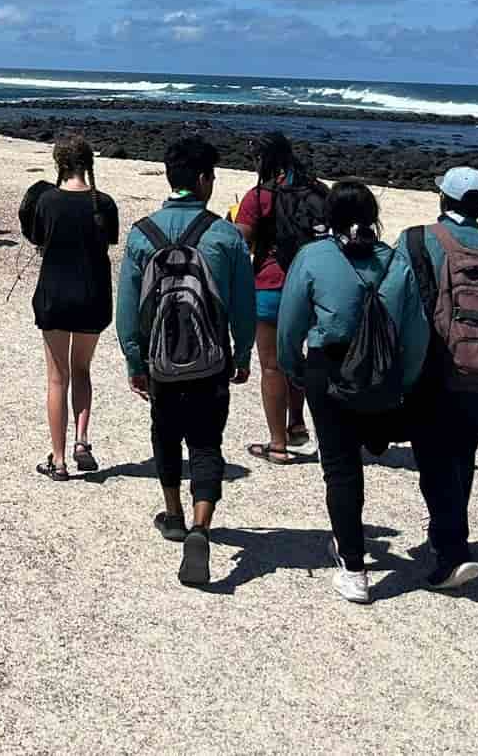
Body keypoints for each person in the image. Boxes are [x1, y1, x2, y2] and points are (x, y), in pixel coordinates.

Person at [277, 181, 430, 605]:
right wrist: (406, 380)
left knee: (341, 469)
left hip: (329, 368)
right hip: (382, 370)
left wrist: (293, 368)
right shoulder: (394, 261)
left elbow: (290, 324)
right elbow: (416, 333)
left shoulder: (313, 257)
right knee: (362, 449)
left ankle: (354, 565)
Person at [116, 136, 254, 586]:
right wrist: (243, 352)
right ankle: (201, 524)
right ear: (201, 180)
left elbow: (127, 309)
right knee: (207, 442)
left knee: (165, 432)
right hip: (211, 359)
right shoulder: (225, 235)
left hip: (160, 361)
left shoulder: (143, 233)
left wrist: (134, 359)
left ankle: (173, 513)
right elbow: (243, 305)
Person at [399, 167, 478, 592]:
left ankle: (453, 550)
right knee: (462, 454)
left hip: (432, 366)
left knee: (433, 459)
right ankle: (449, 534)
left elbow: (400, 303)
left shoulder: (417, 240)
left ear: (442, 200)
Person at [20, 136, 120, 484]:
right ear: (88, 162)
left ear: (59, 163)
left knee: (56, 377)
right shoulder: (104, 203)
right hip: (93, 295)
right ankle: (82, 439)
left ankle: (59, 459)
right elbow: (108, 242)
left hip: (56, 295)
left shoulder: (47, 201)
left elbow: (37, 238)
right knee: (82, 370)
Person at [232, 133, 317, 464]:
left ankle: (277, 444)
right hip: (307, 287)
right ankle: (296, 422)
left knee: (271, 366)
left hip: (269, 285)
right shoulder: (314, 192)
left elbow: (242, 242)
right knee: (296, 358)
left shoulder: (258, 197)